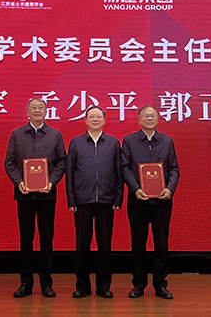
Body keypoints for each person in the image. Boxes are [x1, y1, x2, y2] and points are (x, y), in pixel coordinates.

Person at [4, 98, 67, 298]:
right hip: (24, 195)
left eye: (41, 108)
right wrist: (19, 182)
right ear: (27, 112)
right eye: (34, 108)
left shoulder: (55, 135)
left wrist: (52, 182)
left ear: (46, 112)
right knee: (26, 240)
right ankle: (25, 283)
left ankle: (46, 283)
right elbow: (9, 162)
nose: (38, 110)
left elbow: (62, 162)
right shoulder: (17, 134)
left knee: (46, 239)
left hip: (47, 195)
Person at [121, 105, 180, 300]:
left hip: (162, 201)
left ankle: (160, 285)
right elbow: (125, 168)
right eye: (145, 115)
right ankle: (138, 284)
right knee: (138, 244)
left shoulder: (166, 141)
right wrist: (135, 189)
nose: (149, 118)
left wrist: (169, 188)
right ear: (138, 119)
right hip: (138, 201)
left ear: (158, 119)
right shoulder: (129, 140)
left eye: (153, 115)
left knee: (161, 244)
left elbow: (174, 169)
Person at [66, 106, 123, 299]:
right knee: (82, 245)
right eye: (92, 116)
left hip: (106, 201)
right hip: (82, 200)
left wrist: (118, 197)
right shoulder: (76, 143)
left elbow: (118, 172)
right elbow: (70, 173)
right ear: (86, 120)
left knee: (104, 245)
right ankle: (82, 286)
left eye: (99, 116)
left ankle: (103, 286)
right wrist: (71, 199)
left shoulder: (113, 143)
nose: (95, 119)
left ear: (104, 120)